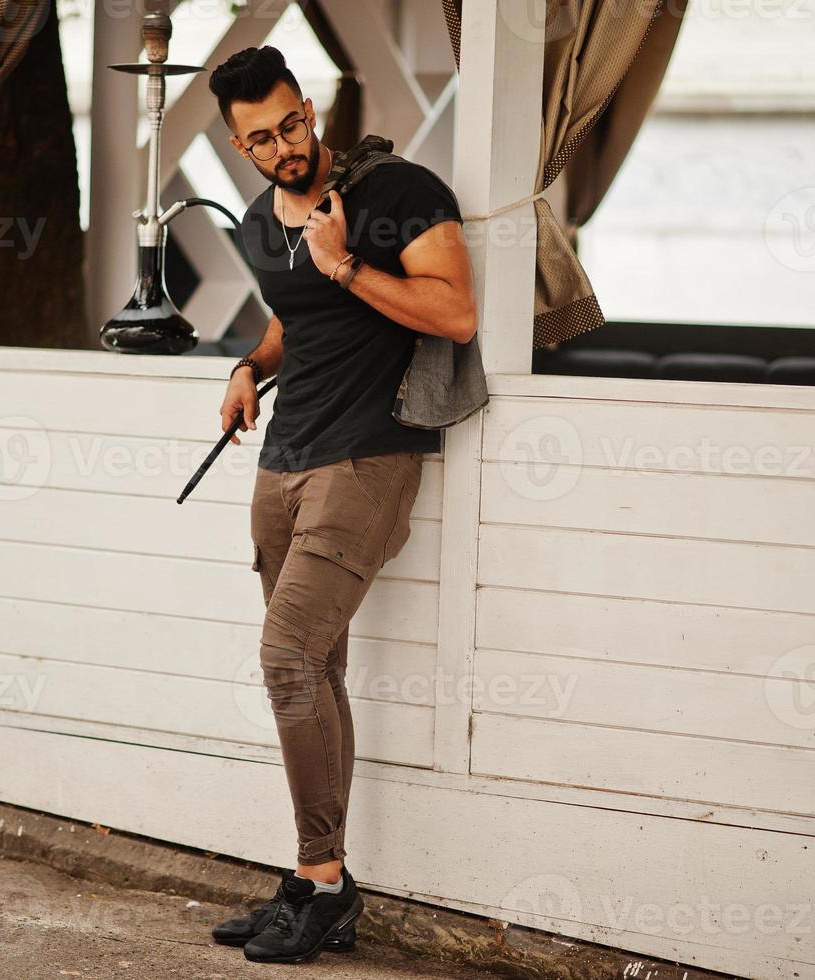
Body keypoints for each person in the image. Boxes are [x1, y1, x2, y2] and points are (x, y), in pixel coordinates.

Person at [206, 45, 477, 964]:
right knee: (314, 668)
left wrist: (347, 264)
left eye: (291, 123)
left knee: (284, 656)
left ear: (310, 109)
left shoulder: (398, 190)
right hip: (282, 462)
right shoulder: (253, 221)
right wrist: (249, 367)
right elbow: (293, 318)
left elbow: (455, 313)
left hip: (369, 456)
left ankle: (321, 879)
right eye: (260, 138)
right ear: (238, 146)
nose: (283, 145)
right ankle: (313, 885)